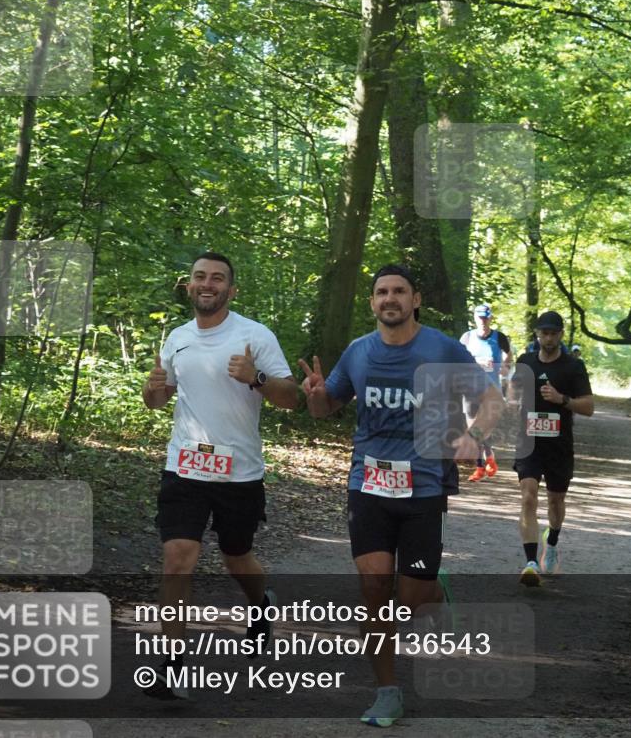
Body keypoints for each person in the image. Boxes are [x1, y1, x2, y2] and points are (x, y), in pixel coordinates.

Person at [299, 264, 503, 727]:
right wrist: (314, 395)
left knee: (409, 602)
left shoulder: (442, 348)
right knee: (373, 587)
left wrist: (475, 436)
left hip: (424, 486)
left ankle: (433, 589)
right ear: (372, 302)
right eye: (381, 292)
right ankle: (387, 692)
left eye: (398, 291)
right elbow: (325, 408)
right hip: (367, 484)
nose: (389, 298)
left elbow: (492, 400)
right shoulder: (358, 352)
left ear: (415, 300)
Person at [141, 252, 297, 699]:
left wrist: (257, 377)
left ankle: (260, 606)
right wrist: (151, 390)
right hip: (184, 467)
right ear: (188, 285)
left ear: (232, 289)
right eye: (199, 277)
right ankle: (172, 665)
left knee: (237, 557)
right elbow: (158, 398)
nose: (207, 284)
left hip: (238, 473)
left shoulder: (254, 335)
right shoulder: (177, 337)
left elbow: (289, 398)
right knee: (178, 557)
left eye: (217, 278)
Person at [510, 311, 593, 586]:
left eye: (553, 333)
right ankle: (531, 562)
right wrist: (513, 400)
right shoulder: (525, 362)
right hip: (529, 442)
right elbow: (512, 390)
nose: (548, 337)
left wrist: (562, 399)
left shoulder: (573, 367)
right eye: (543, 332)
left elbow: (589, 407)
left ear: (560, 334)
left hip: (559, 445)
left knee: (556, 501)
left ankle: (552, 540)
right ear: (537, 334)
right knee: (528, 497)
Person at [458, 303, 511, 481]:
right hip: (470, 391)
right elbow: (456, 361)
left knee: (483, 428)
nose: (483, 320)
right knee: (474, 428)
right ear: (474, 318)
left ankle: (481, 466)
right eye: (480, 317)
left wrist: (504, 366)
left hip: (491, 392)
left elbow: (509, 358)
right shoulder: (466, 338)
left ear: (490, 318)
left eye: (486, 317)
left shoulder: (499, 338)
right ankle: (487, 459)